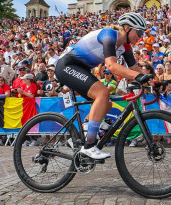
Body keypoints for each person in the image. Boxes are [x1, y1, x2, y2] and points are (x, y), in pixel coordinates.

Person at [53, 12, 149, 160]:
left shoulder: (126, 46)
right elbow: (111, 66)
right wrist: (137, 77)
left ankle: (81, 135)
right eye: (139, 32)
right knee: (103, 93)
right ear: (128, 28)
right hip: (67, 65)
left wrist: (154, 82)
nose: (141, 36)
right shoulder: (109, 34)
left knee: (107, 102)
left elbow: (135, 69)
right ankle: (89, 146)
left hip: (81, 69)